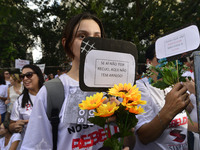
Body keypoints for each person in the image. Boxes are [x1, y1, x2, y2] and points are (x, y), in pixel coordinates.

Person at [21, 12, 134, 150]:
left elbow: (129, 141)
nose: (92, 43)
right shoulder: (51, 92)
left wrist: (125, 121)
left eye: (97, 37)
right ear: (66, 43)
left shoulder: (116, 89)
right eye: (82, 36)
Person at [134, 43, 199, 149]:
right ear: (149, 62)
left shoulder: (173, 85)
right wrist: (170, 109)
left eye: (171, 59)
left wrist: (192, 97)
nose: (167, 64)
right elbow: (144, 136)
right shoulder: (140, 87)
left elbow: (182, 121)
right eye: (160, 59)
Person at [9, 65, 44, 146]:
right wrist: (15, 126)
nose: (25, 79)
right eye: (22, 76)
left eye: (29, 75)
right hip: (29, 145)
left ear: (39, 76)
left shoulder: (49, 96)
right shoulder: (20, 101)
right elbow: (11, 125)